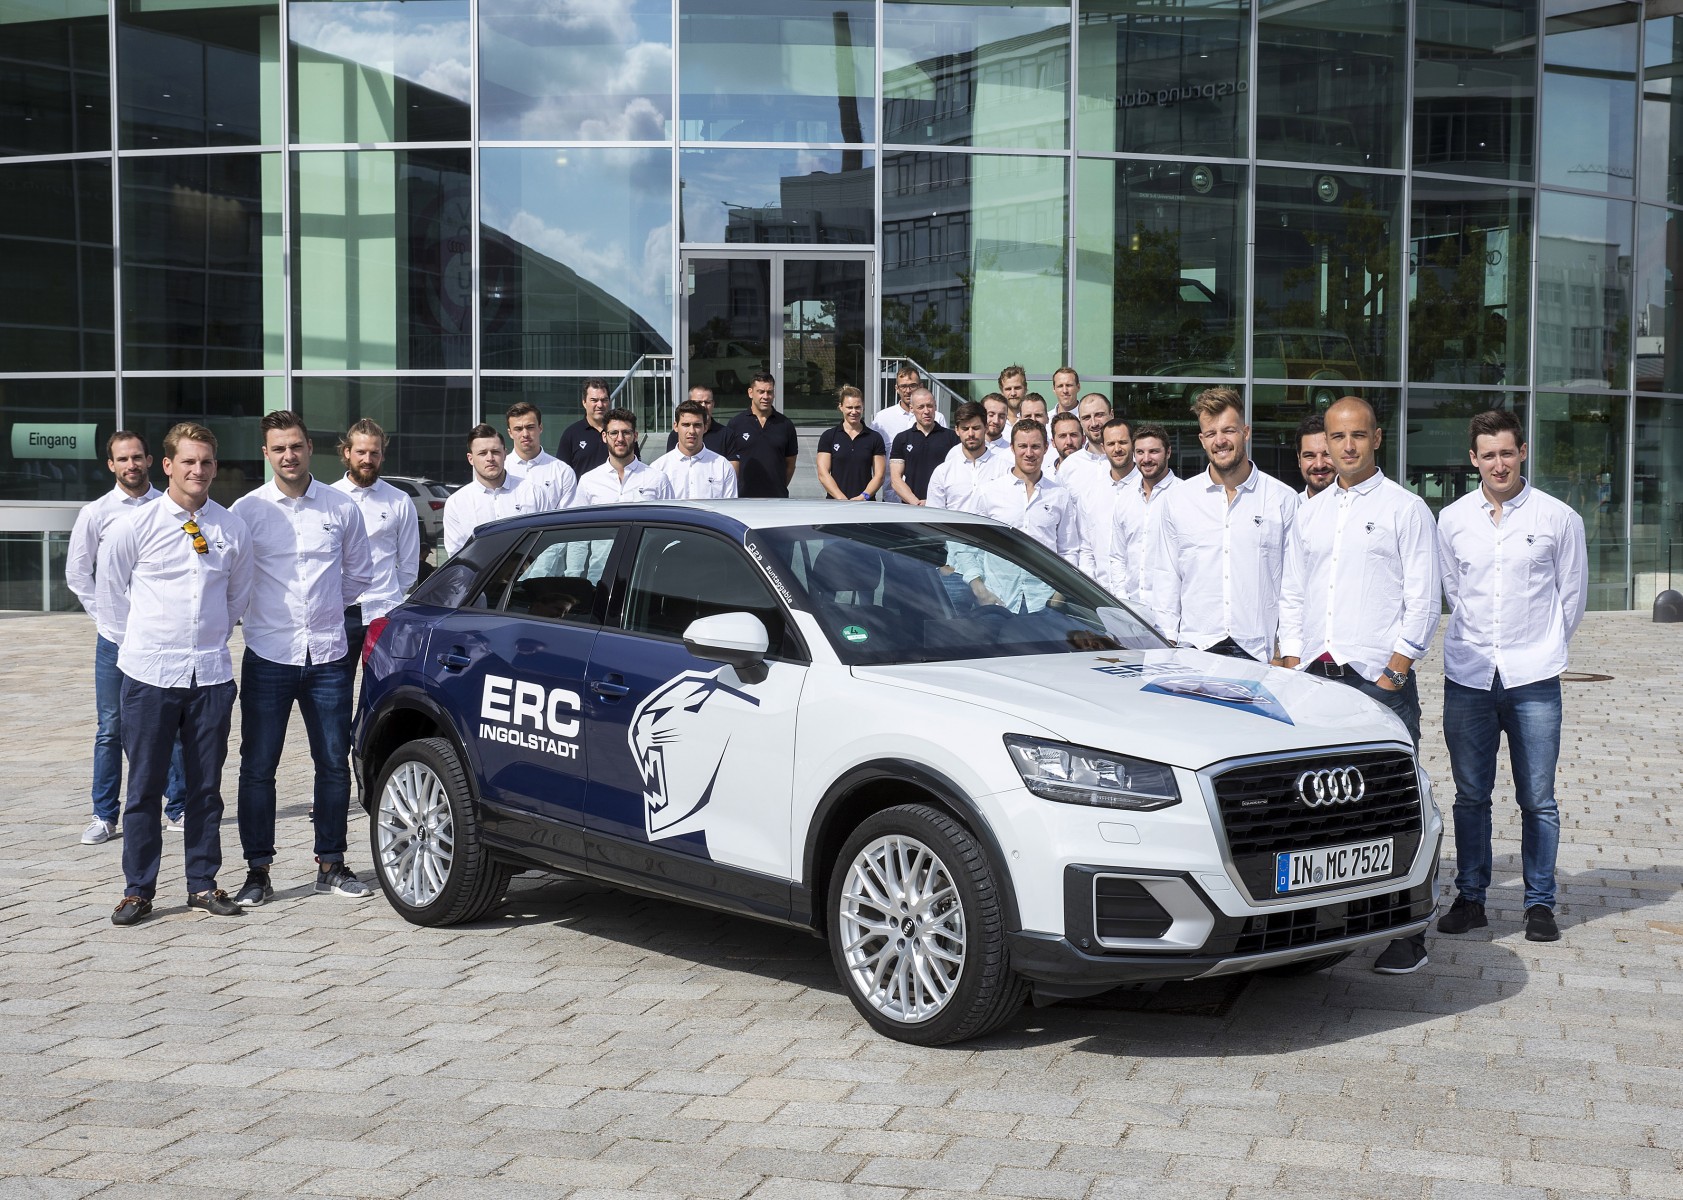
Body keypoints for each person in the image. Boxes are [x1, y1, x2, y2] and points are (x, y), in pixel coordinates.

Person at [1277, 396, 1440, 975]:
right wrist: (1290, 663)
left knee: (1392, 812)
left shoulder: (1406, 508)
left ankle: (1410, 932)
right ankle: (1323, 928)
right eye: (1337, 437)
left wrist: (1394, 669)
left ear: (1376, 439)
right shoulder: (1310, 513)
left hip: (1376, 682)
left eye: (1358, 437)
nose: (1346, 447)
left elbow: (1424, 599)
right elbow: (1293, 593)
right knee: (1318, 814)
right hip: (1314, 680)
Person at [1435, 409, 1587, 944]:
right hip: (1469, 676)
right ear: (1473, 459)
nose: (1498, 463)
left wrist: (1540, 649)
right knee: (1470, 795)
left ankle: (1539, 904)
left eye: (1507, 452)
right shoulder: (1451, 520)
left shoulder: (1559, 518)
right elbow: (1453, 590)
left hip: (1534, 678)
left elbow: (1571, 598)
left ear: (1522, 452)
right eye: (1488, 454)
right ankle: (1471, 898)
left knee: (1538, 798)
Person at [99, 422, 254, 925]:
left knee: (205, 788)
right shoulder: (133, 527)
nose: (198, 470)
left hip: (209, 674)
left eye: (207, 461)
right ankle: (138, 889)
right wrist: (148, 645)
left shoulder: (230, 528)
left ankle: (203, 884)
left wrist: (203, 639)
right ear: (166, 466)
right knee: (143, 786)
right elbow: (111, 599)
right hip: (148, 675)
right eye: (188, 461)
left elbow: (237, 598)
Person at [231, 410, 376, 907]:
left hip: (330, 654)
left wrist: (326, 612)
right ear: (266, 453)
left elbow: (359, 575)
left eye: (295, 446)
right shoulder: (247, 511)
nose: (288, 455)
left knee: (334, 763)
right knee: (257, 767)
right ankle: (257, 871)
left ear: (309, 447)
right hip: (269, 655)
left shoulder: (340, 507)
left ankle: (331, 864)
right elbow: (235, 582)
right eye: (278, 448)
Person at [67, 431, 189, 844]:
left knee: (169, 726)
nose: (131, 465)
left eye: (137, 457)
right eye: (123, 459)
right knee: (111, 727)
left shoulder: (170, 507)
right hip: (115, 639)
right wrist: (109, 619)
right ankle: (104, 815)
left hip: (160, 639)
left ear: (151, 460)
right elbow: (79, 574)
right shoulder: (96, 513)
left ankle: (178, 807)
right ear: (111, 465)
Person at [1150, 388, 1298, 662]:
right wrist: (1166, 645)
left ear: (1246, 432)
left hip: (1259, 653)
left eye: (1229, 430)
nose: (1220, 441)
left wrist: (1288, 651)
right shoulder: (1178, 500)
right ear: (1202, 440)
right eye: (1211, 433)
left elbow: (1293, 587)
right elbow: (1166, 576)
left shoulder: (1282, 500)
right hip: (1194, 649)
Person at [961, 420, 1083, 606]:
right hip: (996, 599)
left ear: (1046, 448)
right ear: (1012, 448)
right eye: (1022, 446)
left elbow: (1069, 550)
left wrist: (1059, 595)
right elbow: (965, 544)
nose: (1029, 453)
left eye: (1035, 446)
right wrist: (979, 588)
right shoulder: (988, 493)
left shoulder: (1059, 496)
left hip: (1044, 601)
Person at [331, 418, 420, 665]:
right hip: (341, 611)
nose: (367, 460)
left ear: (382, 456)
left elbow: (410, 563)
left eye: (374, 453)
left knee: (382, 689)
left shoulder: (399, 500)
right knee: (336, 689)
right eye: (360, 452)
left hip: (385, 611)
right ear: (347, 452)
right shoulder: (329, 498)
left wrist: (391, 596)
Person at [1108, 423, 1179, 625]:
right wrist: (1122, 603)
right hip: (1131, 615)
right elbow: (1117, 557)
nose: (1146, 459)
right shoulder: (1125, 499)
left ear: (1168, 452)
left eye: (1154, 451)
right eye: (1140, 452)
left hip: (1172, 621)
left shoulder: (1184, 497)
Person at [442, 425, 543, 557]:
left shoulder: (533, 492)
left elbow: (546, 546)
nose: (490, 458)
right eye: (482, 453)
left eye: (495, 452)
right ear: (470, 458)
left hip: (530, 575)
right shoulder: (456, 503)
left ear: (505, 454)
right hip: (480, 577)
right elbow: (457, 555)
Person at [1066, 416, 1135, 592]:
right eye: (1111, 444)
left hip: (1140, 599)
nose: (1117, 449)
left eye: (1123, 442)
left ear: (1133, 444)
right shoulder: (1090, 493)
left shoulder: (1147, 489)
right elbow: (1087, 549)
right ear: (1103, 448)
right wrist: (1091, 591)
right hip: (1103, 595)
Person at [577, 409, 677, 504]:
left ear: (636, 436)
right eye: (614, 433)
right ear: (604, 437)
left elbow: (671, 518)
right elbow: (579, 521)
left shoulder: (657, 479)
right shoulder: (588, 482)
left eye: (626, 433)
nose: (620, 438)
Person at [725, 372, 799, 497]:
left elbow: (790, 464)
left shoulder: (786, 424)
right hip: (742, 498)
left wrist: (779, 486)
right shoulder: (736, 424)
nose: (766, 396)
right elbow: (729, 464)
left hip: (777, 499)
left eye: (769, 392)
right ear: (750, 392)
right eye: (761, 392)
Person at [927, 401, 1009, 514]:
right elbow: (934, 516)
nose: (970, 434)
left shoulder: (1005, 469)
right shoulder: (943, 472)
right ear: (956, 430)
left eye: (976, 428)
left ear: (986, 428)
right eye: (965, 429)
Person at [652, 399, 739, 499]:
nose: (691, 431)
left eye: (697, 425)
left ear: (705, 428)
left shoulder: (723, 466)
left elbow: (729, 508)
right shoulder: (658, 468)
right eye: (686, 425)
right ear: (675, 427)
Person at [502, 401, 579, 511]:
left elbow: (566, 518)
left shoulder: (562, 472)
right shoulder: (501, 469)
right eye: (518, 429)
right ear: (510, 433)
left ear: (540, 427)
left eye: (530, 427)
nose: (525, 434)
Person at [889, 387, 961, 504]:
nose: (926, 411)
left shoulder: (952, 437)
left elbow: (958, 475)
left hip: (943, 507)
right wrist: (917, 503)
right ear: (912, 408)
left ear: (935, 407)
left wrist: (933, 502)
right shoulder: (902, 439)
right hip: (912, 508)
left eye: (930, 406)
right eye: (921, 407)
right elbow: (896, 479)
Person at [816, 385, 886, 501]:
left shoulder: (874, 438)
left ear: (863, 407)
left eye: (858, 407)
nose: (854, 412)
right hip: (835, 504)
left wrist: (864, 497)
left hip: (865, 505)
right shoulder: (828, 436)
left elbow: (880, 475)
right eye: (849, 407)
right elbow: (823, 473)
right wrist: (841, 498)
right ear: (841, 407)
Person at [555, 378, 614, 476]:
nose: (600, 405)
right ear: (584, 402)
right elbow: (561, 474)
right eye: (594, 400)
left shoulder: (621, 433)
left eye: (604, 400)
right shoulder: (571, 434)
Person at [1057, 393, 1113, 486]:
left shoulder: (1129, 461)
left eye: (1099, 415)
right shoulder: (1068, 467)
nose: (1094, 423)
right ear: (1080, 422)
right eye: (1087, 417)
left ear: (1111, 415)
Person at [664, 385, 731, 455]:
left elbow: (732, 465)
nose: (703, 406)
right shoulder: (676, 434)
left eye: (707, 402)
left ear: (713, 404)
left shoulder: (726, 434)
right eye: (698, 402)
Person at [870, 365, 926, 447]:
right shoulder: (882, 418)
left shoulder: (935, 417)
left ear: (921, 387)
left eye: (912, 385)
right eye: (903, 386)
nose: (908, 391)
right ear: (897, 388)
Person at [1296, 411, 1335, 502]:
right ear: (1299, 460)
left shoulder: (1358, 508)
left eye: (1327, 454)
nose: (1319, 465)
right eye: (1310, 456)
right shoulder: (1291, 509)